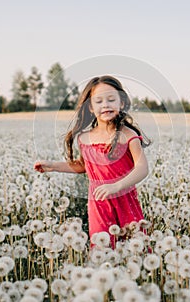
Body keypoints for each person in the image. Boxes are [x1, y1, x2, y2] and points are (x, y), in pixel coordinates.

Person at [34, 75, 151, 247]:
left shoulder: (129, 135)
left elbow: (142, 168)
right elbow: (83, 166)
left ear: (122, 103)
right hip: (98, 203)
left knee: (134, 248)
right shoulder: (84, 138)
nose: (105, 105)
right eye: (99, 101)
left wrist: (116, 186)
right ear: (90, 107)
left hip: (125, 200)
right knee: (101, 250)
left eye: (111, 99)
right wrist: (53, 166)